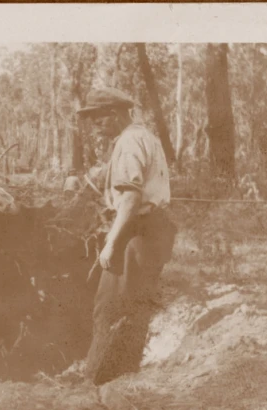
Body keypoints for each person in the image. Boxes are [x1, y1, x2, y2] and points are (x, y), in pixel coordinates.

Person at [76, 87, 178, 385]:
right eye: (92, 120)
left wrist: (111, 244)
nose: (96, 126)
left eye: (99, 119)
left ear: (117, 114)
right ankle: (124, 379)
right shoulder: (146, 136)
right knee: (136, 308)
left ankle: (95, 383)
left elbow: (131, 199)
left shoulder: (129, 141)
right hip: (155, 229)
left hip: (139, 231)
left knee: (109, 308)